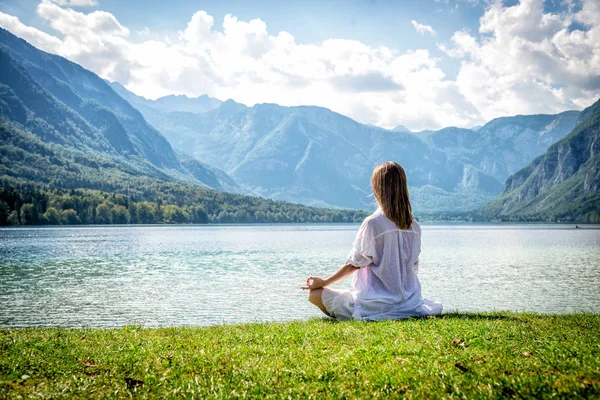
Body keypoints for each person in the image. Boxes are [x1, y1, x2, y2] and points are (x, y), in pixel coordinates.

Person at [301, 161, 443, 321]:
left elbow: (355, 263)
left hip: (376, 303)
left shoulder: (373, 223)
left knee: (314, 295)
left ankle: (352, 316)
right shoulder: (414, 225)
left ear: (377, 188)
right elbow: (413, 266)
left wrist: (324, 282)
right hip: (410, 301)